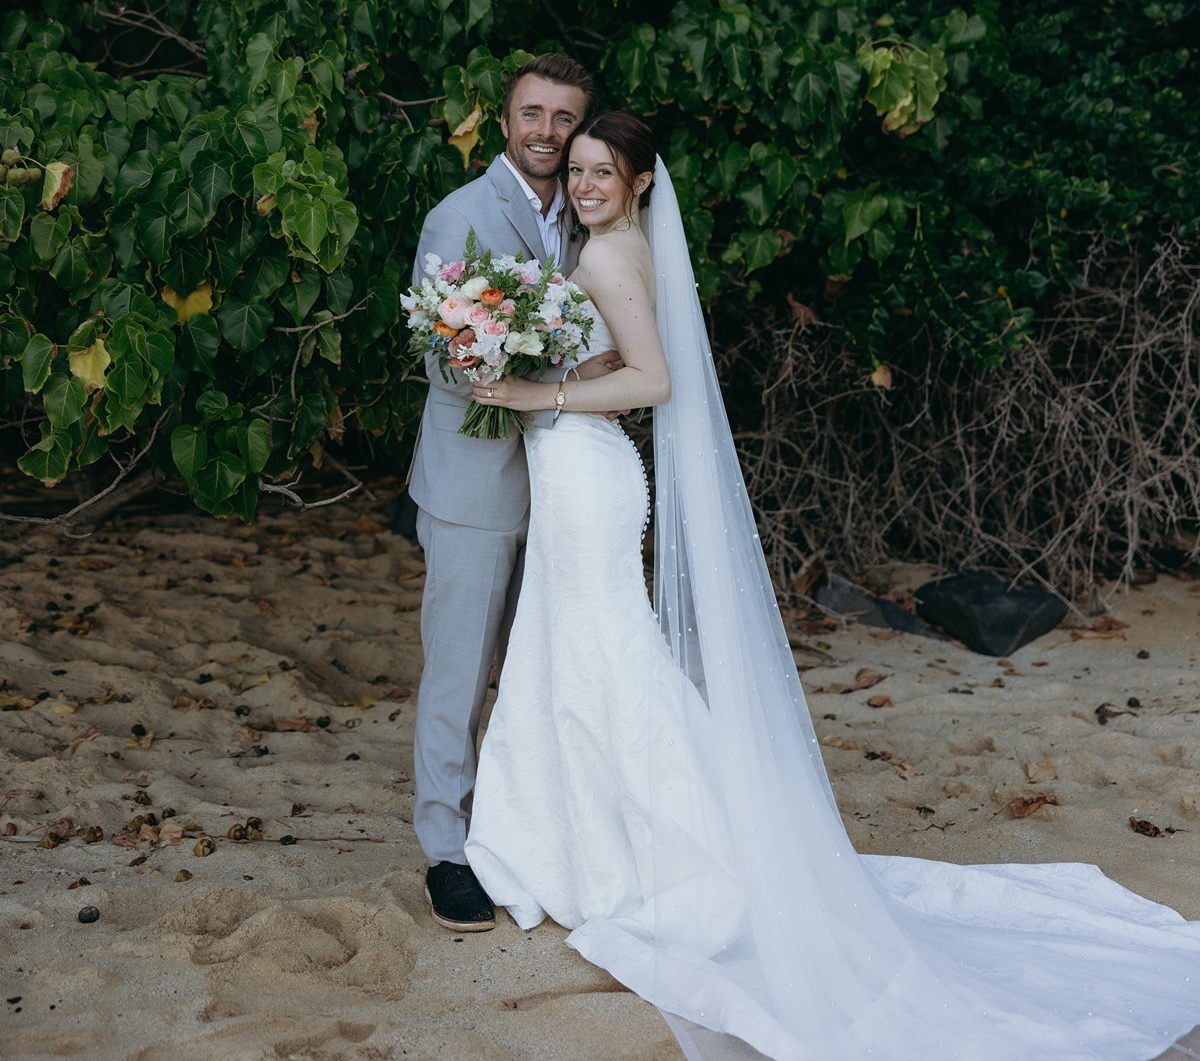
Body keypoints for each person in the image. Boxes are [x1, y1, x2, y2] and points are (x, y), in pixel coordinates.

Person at [463, 111, 1200, 1061]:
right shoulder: (615, 249)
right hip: (583, 472)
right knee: (579, 646)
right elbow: (621, 354)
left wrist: (539, 392)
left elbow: (654, 381)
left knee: (603, 648)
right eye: (579, 168)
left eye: (606, 170)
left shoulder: (608, 256)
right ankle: (576, 842)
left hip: (589, 469)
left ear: (642, 181)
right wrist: (556, 362)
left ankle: (664, 862)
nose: (589, 182)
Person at [407, 52, 619, 934]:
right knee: (460, 672)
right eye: (531, 114)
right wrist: (518, 356)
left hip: (568, 484)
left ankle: (523, 832)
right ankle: (445, 851)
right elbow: (434, 349)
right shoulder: (459, 214)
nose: (546, 132)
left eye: (563, 118)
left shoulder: (594, 214)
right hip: (474, 483)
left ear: (580, 127)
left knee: (541, 669)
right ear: (505, 121)